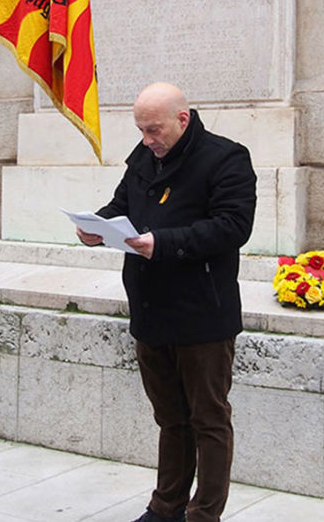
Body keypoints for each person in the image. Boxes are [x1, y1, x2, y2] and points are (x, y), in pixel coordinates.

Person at [75, 83, 257, 522]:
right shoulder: (144, 157)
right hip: (151, 310)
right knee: (170, 418)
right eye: (141, 130)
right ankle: (166, 507)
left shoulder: (226, 158)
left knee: (208, 421)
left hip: (202, 314)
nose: (147, 140)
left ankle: (204, 513)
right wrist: (95, 226)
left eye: (154, 130)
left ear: (182, 118)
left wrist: (165, 243)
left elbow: (233, 226)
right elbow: (123, 204)